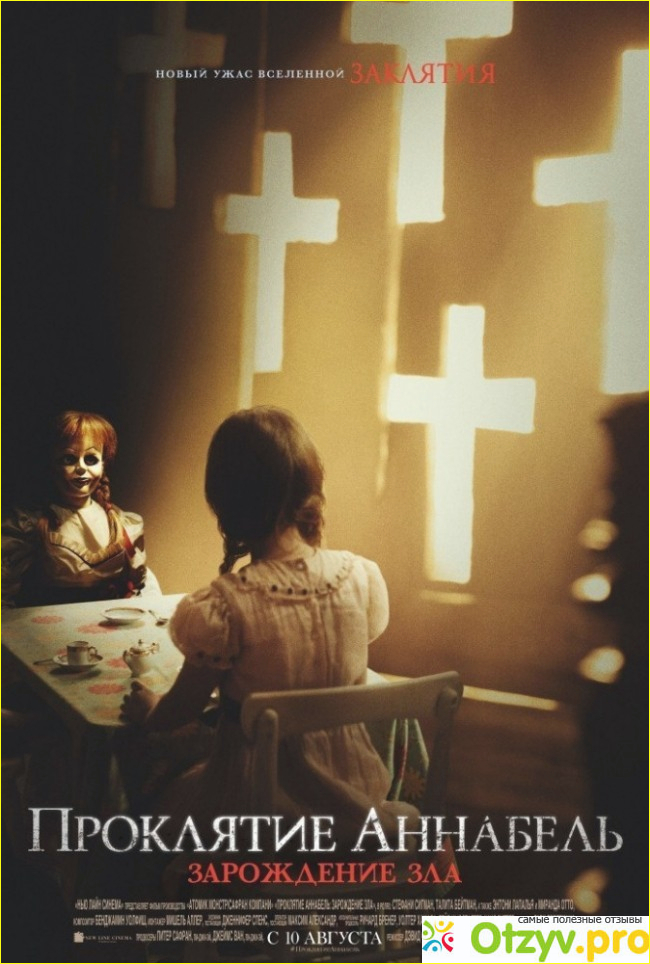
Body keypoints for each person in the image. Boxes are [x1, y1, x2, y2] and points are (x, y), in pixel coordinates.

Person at [120, 405, 415, 845]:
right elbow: (351, 641)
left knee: (142, 799)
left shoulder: (226, 607)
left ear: (226, 503)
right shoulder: (360, 578)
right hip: (354, 805)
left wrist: (151, 709)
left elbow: (180, 711)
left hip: (258, 816)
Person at [2, 410, 160, 608]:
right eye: (69, 459)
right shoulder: (30, 525)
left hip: (109, 621)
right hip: (50, 624)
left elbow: (141, 584)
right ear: (51, 464)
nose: (81, 468)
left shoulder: (121, 523)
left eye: (91, 459)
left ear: (103, 464)